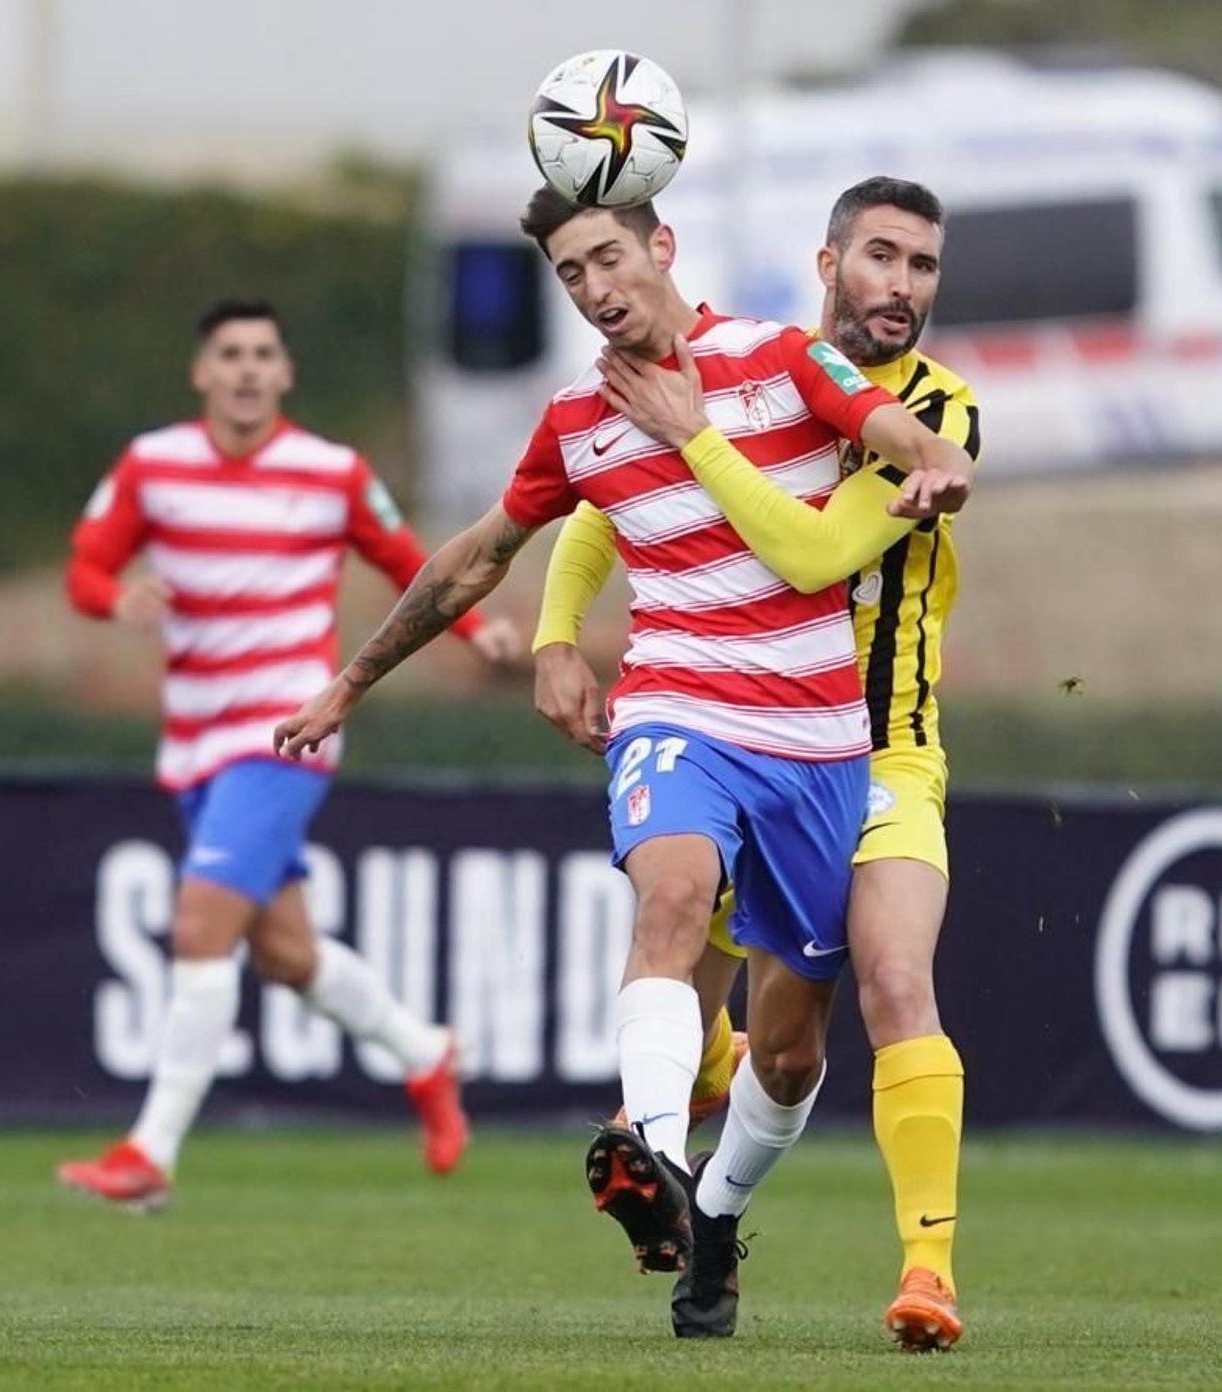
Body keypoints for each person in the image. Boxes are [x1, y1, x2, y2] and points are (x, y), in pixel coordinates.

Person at [270, 187, 971, 1337]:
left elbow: (893, 433)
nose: (594, 288)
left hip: (822, 744)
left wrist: (933, 458)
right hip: (675, 714)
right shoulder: (574, 421)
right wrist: (351, 681)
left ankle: (715, 1220)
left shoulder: (776, 358)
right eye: (569, 273)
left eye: (607, 258)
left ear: (662, 247)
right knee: (674, 895)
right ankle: (649, 1158)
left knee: (790, 1052)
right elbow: (476, 559)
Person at [531, 177, 975, 1350]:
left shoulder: (935, 415)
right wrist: (553, 634)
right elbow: (595, 513)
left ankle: (794, 1235)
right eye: (880, 256)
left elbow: (814, 556)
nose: (901, 285)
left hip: (871, 754)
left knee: (829, 1020)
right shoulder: (739, 363)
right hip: (726, 727)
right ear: (827, 265)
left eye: (923, 267)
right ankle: (669, 1151)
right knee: (679, 928)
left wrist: (695, 435)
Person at [57, 298, 522, 1211]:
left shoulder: (332, 473)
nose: (245, 369)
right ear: (202, 372)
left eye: (263, 353)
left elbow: (409, 567)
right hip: (194, 743)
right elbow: (85, 567)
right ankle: (426, 1053)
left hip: (284, 734)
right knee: (287, 954)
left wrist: (479, 638)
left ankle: (151, 1154)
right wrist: (113, 600)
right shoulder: (154, 465)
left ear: (285, 373)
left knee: (199, 925)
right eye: (228, 353)